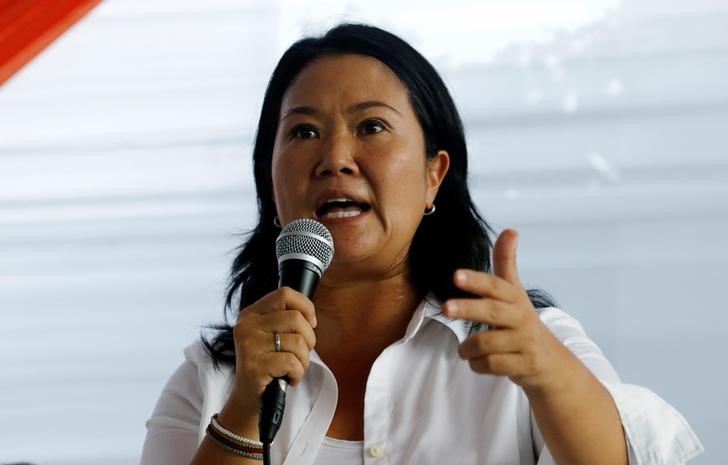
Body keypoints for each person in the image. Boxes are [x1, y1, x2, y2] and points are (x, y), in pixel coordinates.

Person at [140, 23, 703, 465]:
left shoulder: (525, 345)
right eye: (303, 132)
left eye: (371, 127)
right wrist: (243, 409)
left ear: (434, 175)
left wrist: (547, 375)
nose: (334, 158)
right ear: (271, 179)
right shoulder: (211, 379)